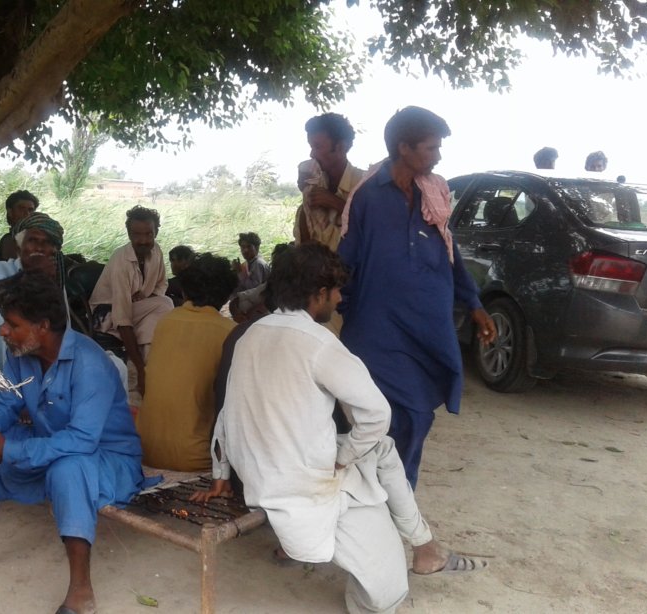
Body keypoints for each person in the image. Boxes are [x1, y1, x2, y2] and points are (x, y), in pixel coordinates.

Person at [199, 244, 484, 614]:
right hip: (304, 486)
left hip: (257, 471)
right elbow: (377, 413)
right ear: (318, 294)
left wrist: (220, 473)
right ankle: (421, 548)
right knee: (387, 595)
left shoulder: (251, 333)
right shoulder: (319, 343)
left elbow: (226, 415)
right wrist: (344, 458)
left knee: (381, 448)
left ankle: (424, 543)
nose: (338, 298)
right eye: (334, 291)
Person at [0, 270, 143, 614]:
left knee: (68, 468)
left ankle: (81, 591)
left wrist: (10, 449)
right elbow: (6, 401)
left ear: (42, 326)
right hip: (53, 443)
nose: (3, 331)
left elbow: (82, 440)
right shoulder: (21, 357)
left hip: (107, 459)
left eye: (12, 324)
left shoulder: (90, 364)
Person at [337, 106, 496, 489]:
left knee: (419, 415)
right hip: (379, 327)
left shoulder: (436, 193)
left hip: (429, 326)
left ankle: (399, 493)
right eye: (430, 148)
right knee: (383, 416)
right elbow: (346, 261)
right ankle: (379, 497)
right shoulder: (367, 198)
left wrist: (474, 304)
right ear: (403, 148)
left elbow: (449, 254)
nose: (438, 156)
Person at [137, 253, 236, 471]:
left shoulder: (166, 322)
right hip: (196, 457)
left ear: (184, 290)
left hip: (146, 449)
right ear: (227, 295)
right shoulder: (229, 332)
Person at [0, 211, 66, 400]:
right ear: (20, 246)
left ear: (54, 250)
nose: (38, 247)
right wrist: (29, 275)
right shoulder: (0, 270)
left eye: (46, 242)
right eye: (32, 240)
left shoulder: (56, 280)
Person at [89, 205, 173, 402]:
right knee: (165, 305)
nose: (143, 240)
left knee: (159, 309)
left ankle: (140, 380)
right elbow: (123, 317)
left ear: (156, 232)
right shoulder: (121, 261)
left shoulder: (156, 251)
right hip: (106, 316)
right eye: (136, 234)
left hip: (138, 308)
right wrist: (142, 370)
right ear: (128, 234)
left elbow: (162, 282)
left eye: (148, 234)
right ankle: (143, 372)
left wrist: (147, 298)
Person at [295, 113, 365, 251]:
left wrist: (335, 203)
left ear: (340, 147)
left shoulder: (364, 184)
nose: (312, 154)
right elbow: (304, 245)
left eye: (317, 146)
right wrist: (306, 202)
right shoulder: (316, 185)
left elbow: (376, 228)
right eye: (311, 146)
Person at [0, 190, 40, 261]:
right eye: (21, 209)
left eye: (30, 210)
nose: (27, 214)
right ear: (10, 212)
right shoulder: (8, 239)